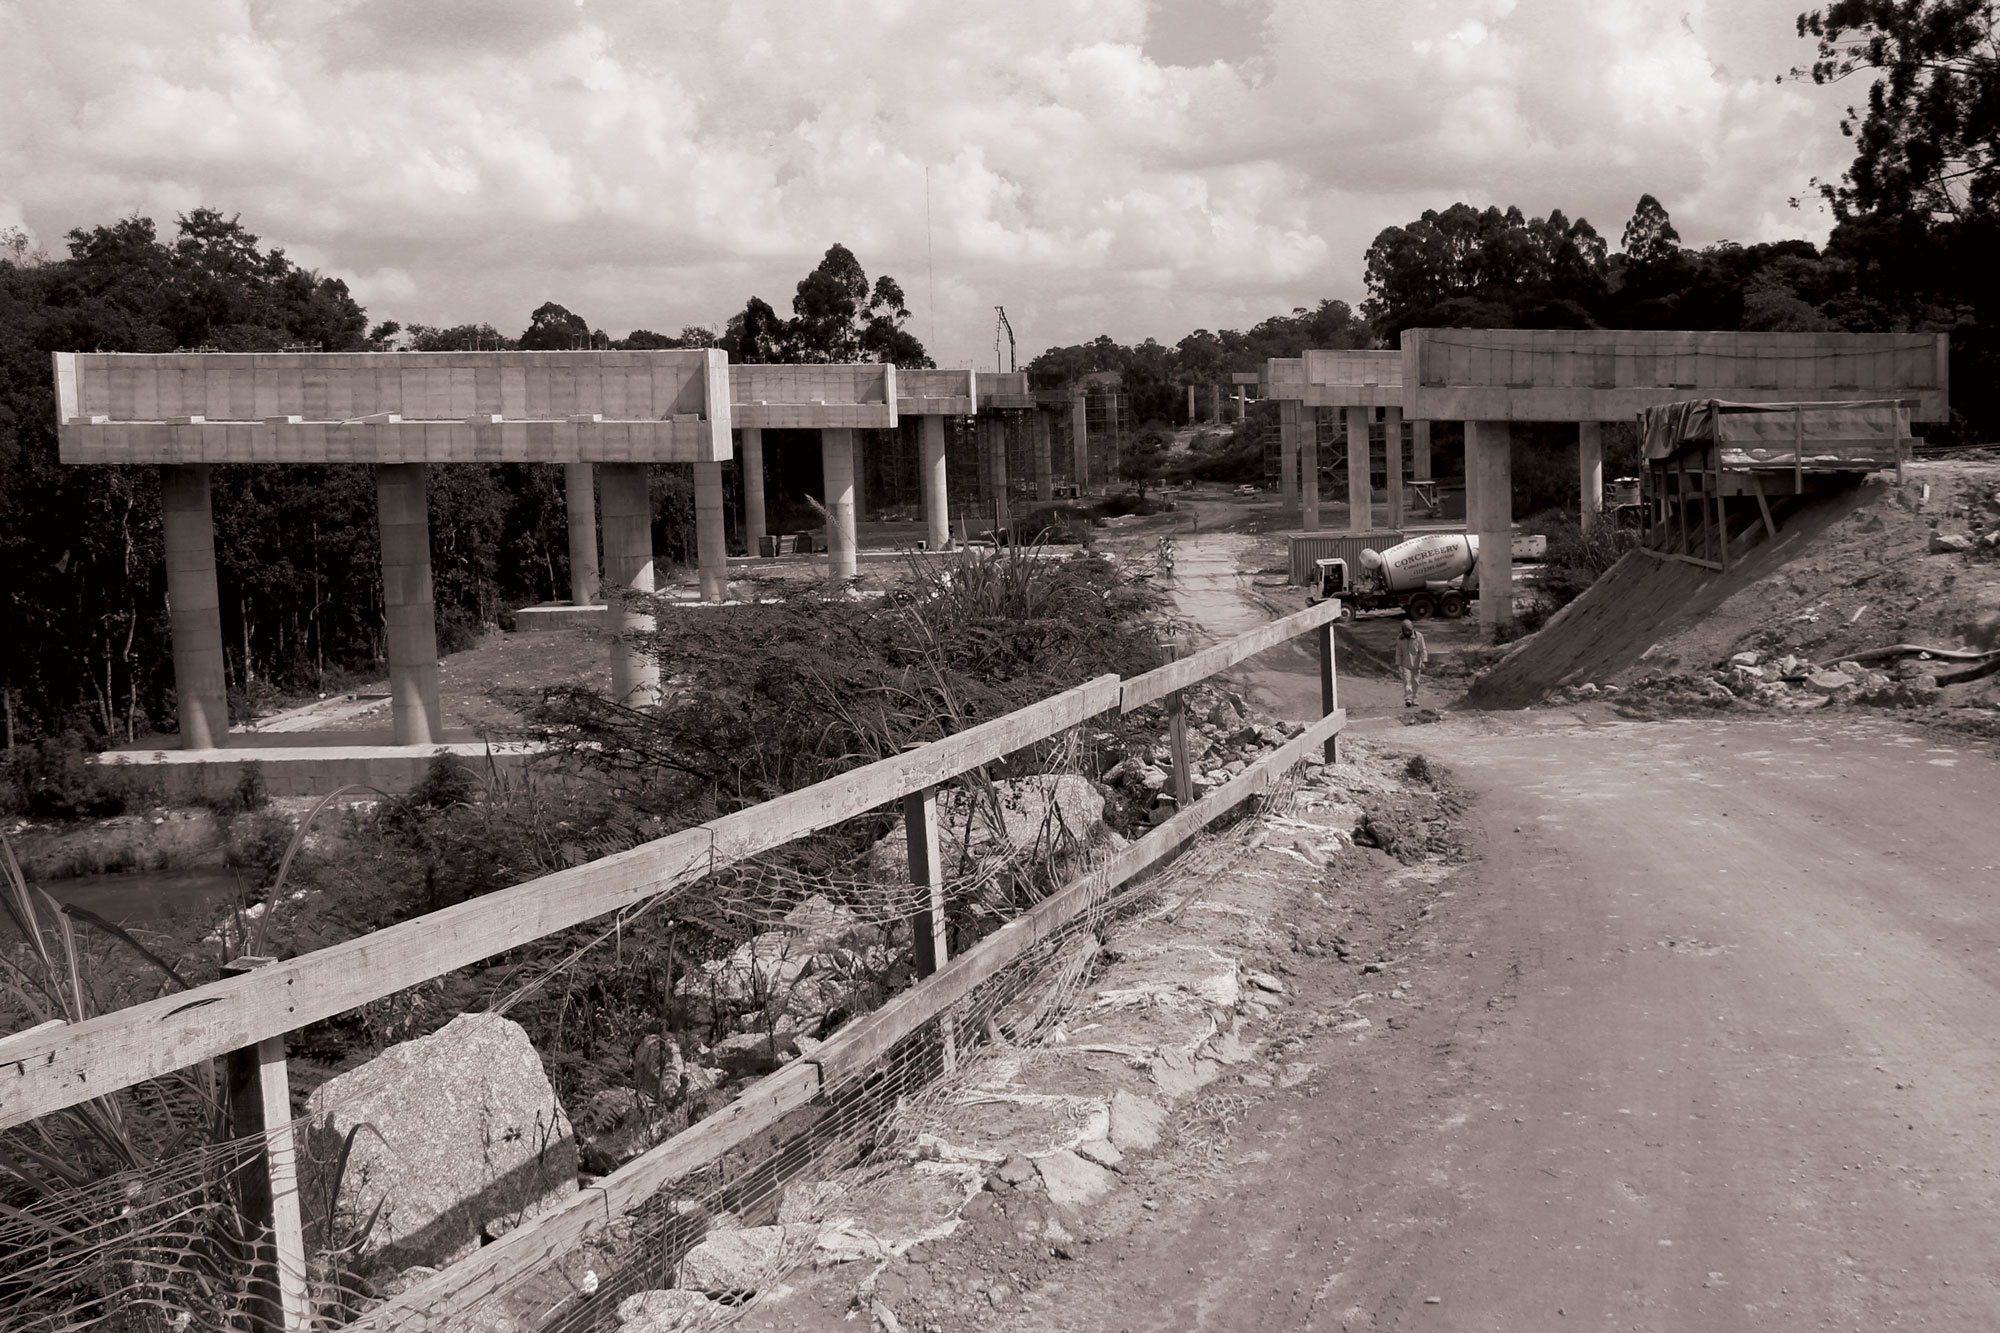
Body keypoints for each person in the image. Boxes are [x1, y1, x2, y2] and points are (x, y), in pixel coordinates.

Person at [1395, 618, 1428, 707]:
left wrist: (1424, 661)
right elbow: (1398, 652)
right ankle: (1408, 699)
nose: (1408, 633)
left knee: (1415, 683)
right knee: (1407, 682)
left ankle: (1415, 698)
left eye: (1409, 631)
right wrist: (1398, 664)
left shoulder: (1419, 636)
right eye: (1406, 631)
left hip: (1416, 664)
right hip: (1406, 665)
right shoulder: (1400, 638)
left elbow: (1422, 649)